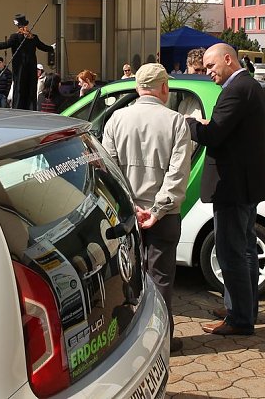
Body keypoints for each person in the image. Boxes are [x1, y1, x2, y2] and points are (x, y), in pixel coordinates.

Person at [102, 63, 191, 353]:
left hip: (127, 216)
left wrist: (131, 207)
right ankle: (162, 339)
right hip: (163, 217)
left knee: (128, 278)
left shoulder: (116, 119)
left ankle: (130, 340)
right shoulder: (176, 121)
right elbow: (178, 173)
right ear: (164, 87)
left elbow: (109, 170)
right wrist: (156, 210)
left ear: (137, 88)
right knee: (162, 278)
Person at [185, 43, 265, 336]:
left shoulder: (236, 89)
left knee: (232, 252)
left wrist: (192, 123)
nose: (207, 72)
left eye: (211, 66)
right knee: (244, 250)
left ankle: (239, 319)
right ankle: (242, 308)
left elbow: (213, 134)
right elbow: (232, 129)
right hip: (246, 184)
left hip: (234, 186)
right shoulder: (251, 86)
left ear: (227, 59)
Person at [0, 14, 55, 110]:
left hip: (20, 67)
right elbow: (43, 47)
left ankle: (18, 107)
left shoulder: (15, 37)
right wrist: (52, 48)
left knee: (19, 87)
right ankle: (31, 107)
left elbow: (5, 45)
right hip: (31, 67)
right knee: (31, 87)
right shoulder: (33, 37)